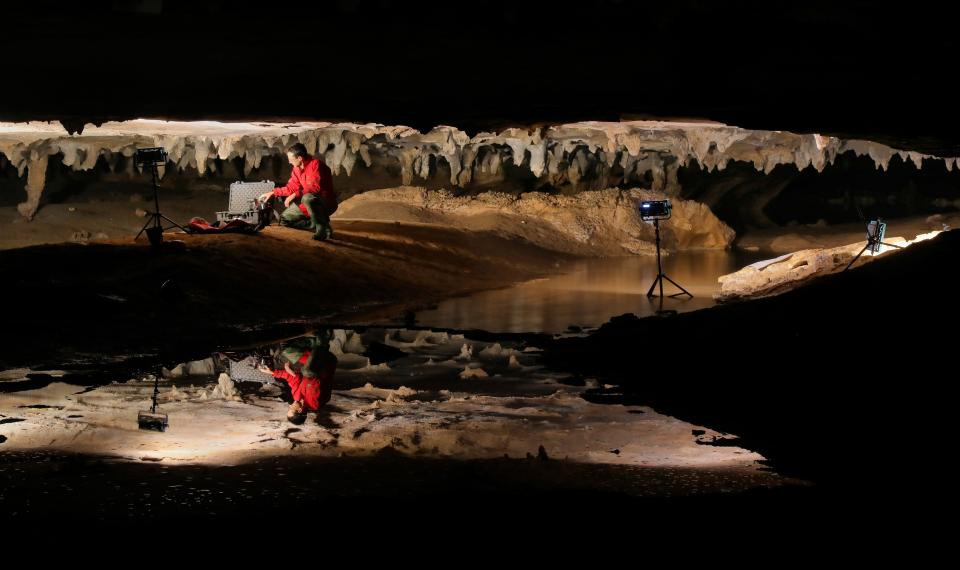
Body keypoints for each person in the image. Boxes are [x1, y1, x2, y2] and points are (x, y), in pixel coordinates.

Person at [259, 143, 337, 241]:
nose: (289, 162)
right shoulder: (296, 169)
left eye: (291, 159)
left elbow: (315, 188)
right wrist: (273, 193)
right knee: (284, 219)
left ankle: (323, 230)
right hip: (307, 204)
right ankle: (314, 223)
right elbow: (291, 187)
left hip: (324, 202)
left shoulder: (316, 165)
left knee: (307, 197)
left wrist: (294, 195)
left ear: (299, 158)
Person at [259, 334, 338, 424]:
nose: (290, 406)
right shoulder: (315, 402)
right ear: (300, 410)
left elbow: (293, 379)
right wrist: (293, 374)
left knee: (283, 354)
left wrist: (273, 372)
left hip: (312, 366)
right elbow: (314, 379)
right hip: (324, 364)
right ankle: (322, 340)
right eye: (291, 409)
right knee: (306, 371)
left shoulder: (297, 397)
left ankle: (307, 341)